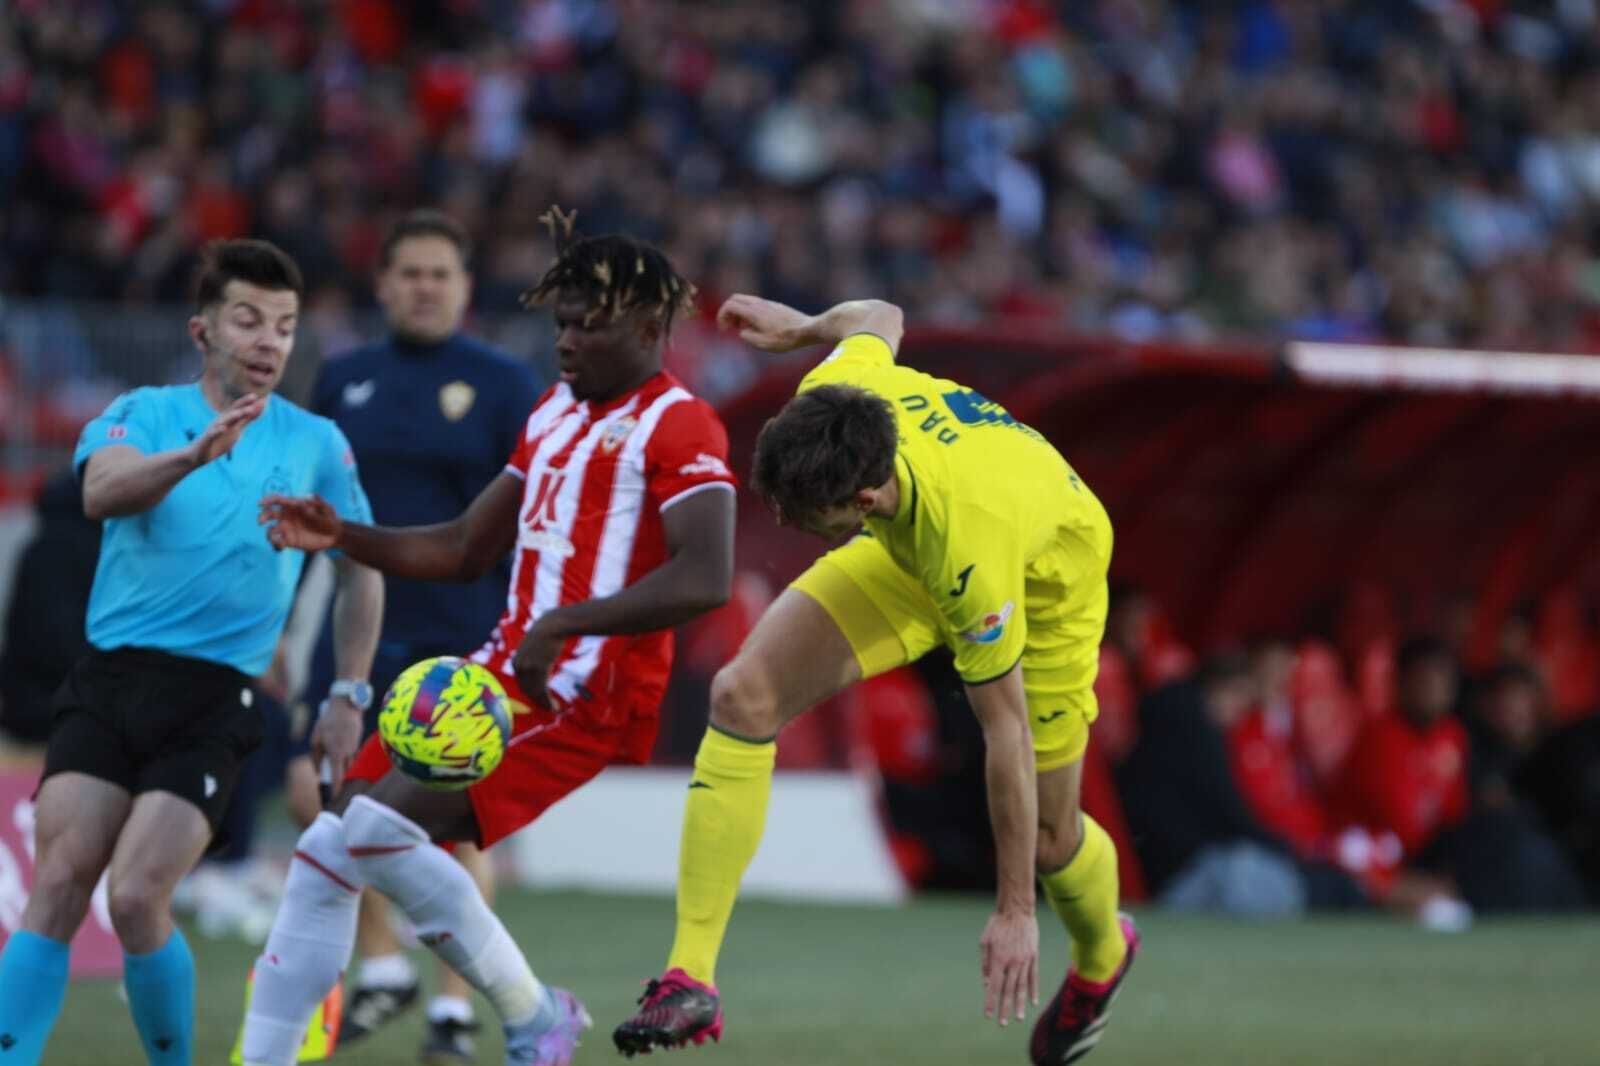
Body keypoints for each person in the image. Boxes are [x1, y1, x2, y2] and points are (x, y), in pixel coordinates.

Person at [240, 210, 738, 1066]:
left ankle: (524, 1012)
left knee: (363, 835)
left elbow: (707, 574)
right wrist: (345, 536)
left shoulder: (680, 424)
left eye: (591, 323)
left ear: (651, 328)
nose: (568, 341)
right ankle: (514, 1017)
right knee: (330, 840)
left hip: (578, 694)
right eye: (562, 324)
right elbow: (465, 547)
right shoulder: (552, 413)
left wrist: (566, 624)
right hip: (496, 674)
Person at [612, 294, 1138, 1066]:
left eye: (801, 514)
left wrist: (1015, 909)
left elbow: (1006, 731)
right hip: (911, 543)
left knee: (1053, 840)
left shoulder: (969, 551)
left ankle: (1103, 958)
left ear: (860, 500)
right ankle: (691, 975)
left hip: (1044, 575)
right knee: (741, 695)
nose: (786, 527)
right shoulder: (837, 398)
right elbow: (883, 316)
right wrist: (805, 330)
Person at [0, 239, 383, 1066]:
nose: (270, 340)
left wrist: (351, 692)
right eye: (248, 319)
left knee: (137, 898)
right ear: (203, 331)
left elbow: (364, 570)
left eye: (284, 325)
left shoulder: (317, 443)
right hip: (108, 681)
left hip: (216, 697)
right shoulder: (143, 411)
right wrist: (194, 455)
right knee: (59, 886)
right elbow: (100, 492)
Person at [289, 208, 541, 1062]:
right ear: (384, 284)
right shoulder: (344, 377)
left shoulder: (506, 382)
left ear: (466, 288)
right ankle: (385, 967)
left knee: (454, 828)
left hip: (462, 632)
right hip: (358, 622)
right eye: (411, 273)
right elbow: (316, 504)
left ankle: (452, 1010)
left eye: (442, 273)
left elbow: (531, 512)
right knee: (313, 791)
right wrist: (289, 627)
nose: (425, 287)